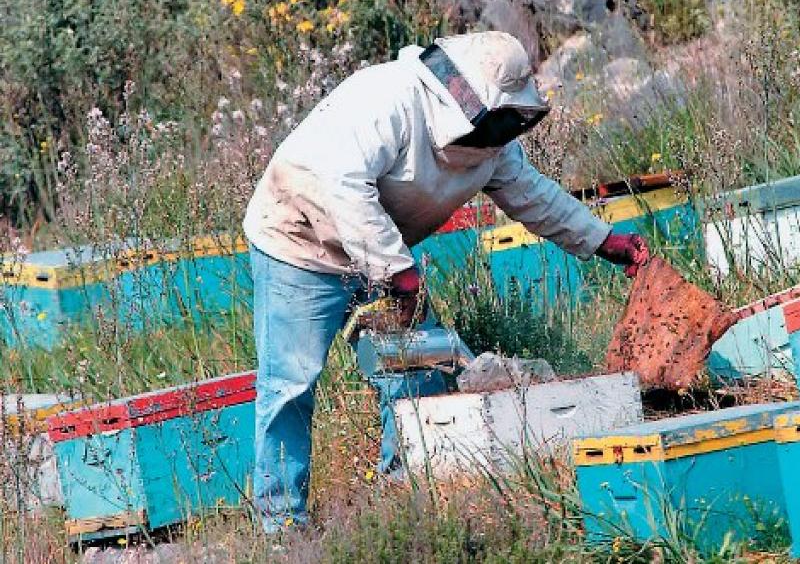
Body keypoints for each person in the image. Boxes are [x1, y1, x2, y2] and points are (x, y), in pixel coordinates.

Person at [242, 31, 649, 532]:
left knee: (418, 373)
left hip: (381, 256)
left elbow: (532, 195)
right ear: (464, 93)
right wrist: (398, 271)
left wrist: (603, 240)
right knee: (292, 384)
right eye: (501, 116)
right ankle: (282, 527)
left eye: (512, 118)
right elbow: (341, 184)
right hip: (299, 242)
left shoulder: (489, 146)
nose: (504, 129)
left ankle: (401, 500)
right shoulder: (386, 99)